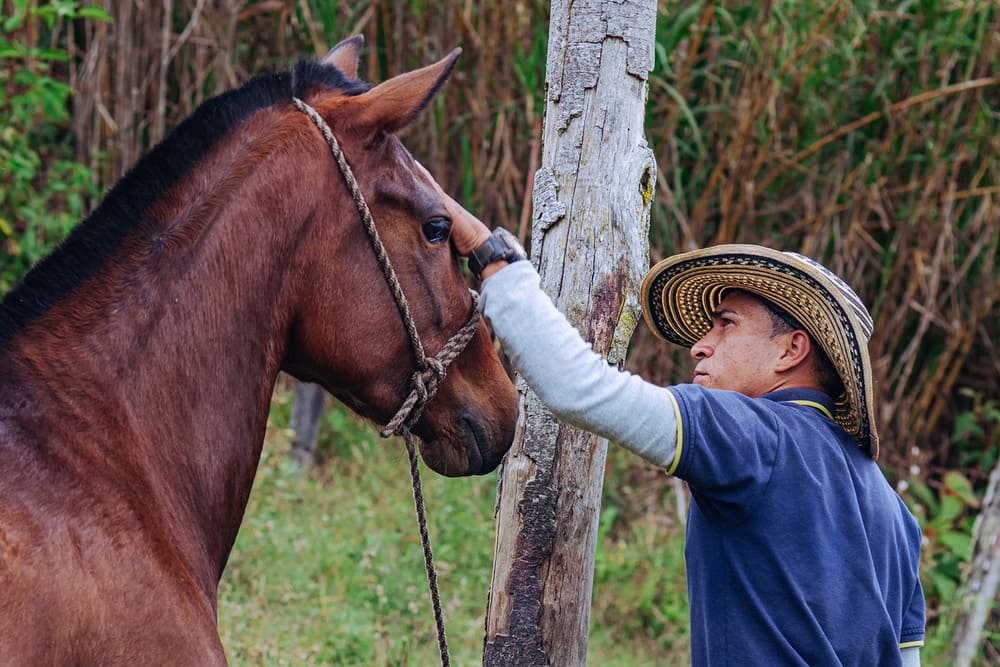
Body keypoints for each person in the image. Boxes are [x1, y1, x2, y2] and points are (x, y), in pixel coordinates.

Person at [441, 191, 926, 666]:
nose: (700, 345)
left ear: (790, 350)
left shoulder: (754, 436)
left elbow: (575, 387)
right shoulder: (897, 515)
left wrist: (493, 258)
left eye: (726, 324)